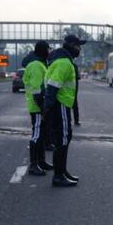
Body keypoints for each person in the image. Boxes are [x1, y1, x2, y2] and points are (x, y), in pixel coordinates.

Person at [44, 34, 86, 187]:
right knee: (62, 138)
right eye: (77, 46)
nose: (79, 49)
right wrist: (47, 108)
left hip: (62, 104)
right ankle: (58, 175)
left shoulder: (64, 60)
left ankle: (62, 171)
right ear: (70, 45)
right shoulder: (63, 63)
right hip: (60, 104)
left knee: (65, 137)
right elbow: (53, 85)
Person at [22, 41, 54, 176]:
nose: (49, 52)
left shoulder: (40, 64)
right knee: (36, 135)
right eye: (48, 49)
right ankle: (33, 165)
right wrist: (42, 107)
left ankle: (41, 162)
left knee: (40, 135)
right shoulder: (36, 65)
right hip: (37, 106)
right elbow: (36, 89)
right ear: (42, 51)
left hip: (39, 105)